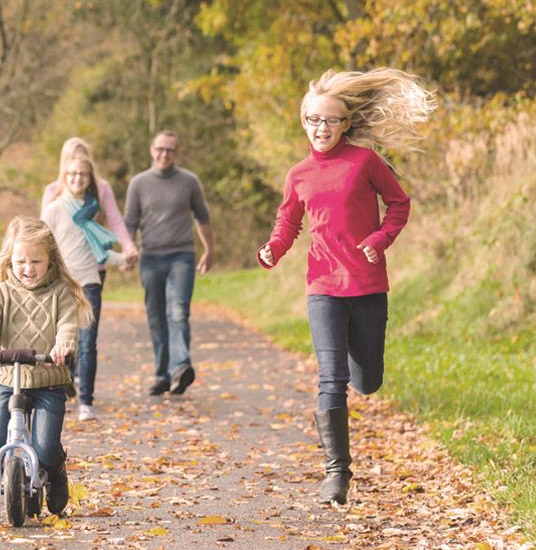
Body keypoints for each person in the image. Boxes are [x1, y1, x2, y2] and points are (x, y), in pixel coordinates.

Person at [257, 68, 435, 505]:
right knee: (330, 378)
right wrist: (274, 249)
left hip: (369, 285)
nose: (322, 128)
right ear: (303, 121)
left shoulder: (366, 162)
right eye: (314, 120)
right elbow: (288, 221)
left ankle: (364, 371)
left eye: (331, 121)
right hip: (323, 286)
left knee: (367, 380)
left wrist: (379, 239)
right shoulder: (298, 173)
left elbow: (399, 204)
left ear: (345, 124)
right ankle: (336, 474)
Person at [0, 216, 92, 516]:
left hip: (48, 378)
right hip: (8, 378)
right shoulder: (2, 293)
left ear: (50, 261)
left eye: (36, 261)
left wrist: (64, 347)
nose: (28, 268)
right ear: (10, 261)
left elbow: (67, 326)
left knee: (46, 447)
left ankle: (56, 474)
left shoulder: (61, 293)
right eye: (21, 261)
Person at [124, 130, 213, 397]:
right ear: (151, 150)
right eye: (160, 149)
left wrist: (209, 250)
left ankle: (180, 367)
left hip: (181, 257)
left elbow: (203, 217)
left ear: (177, 153)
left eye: (170, 150)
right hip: (150, 257)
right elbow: (129, 222)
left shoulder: (189, 181)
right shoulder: (138, 183)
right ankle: (161, 374)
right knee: (156, 317)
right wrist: (127, 251)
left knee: (178, 311)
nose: (164, 154)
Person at [41, 153, 129, 422]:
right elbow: (42, 246)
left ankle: (86, 401)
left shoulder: (92, 209)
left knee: (88, 343)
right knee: (63, 343)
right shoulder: (55, 209)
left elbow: (97, 251)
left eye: (82, 174)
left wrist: (124, 259)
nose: (77, 178)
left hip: (89, 284)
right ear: (64, 178)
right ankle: (62, 383)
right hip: (62, 285)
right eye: (72, 174)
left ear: (90, 179)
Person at [41, 137, 138, 269]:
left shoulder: (102, 188)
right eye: (73, 156)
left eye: (82, 155)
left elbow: (115, 221)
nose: (78, 159)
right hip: (65, 267)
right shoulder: (52, 191)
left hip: (95, 265)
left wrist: (128, 248)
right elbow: (45, 231)